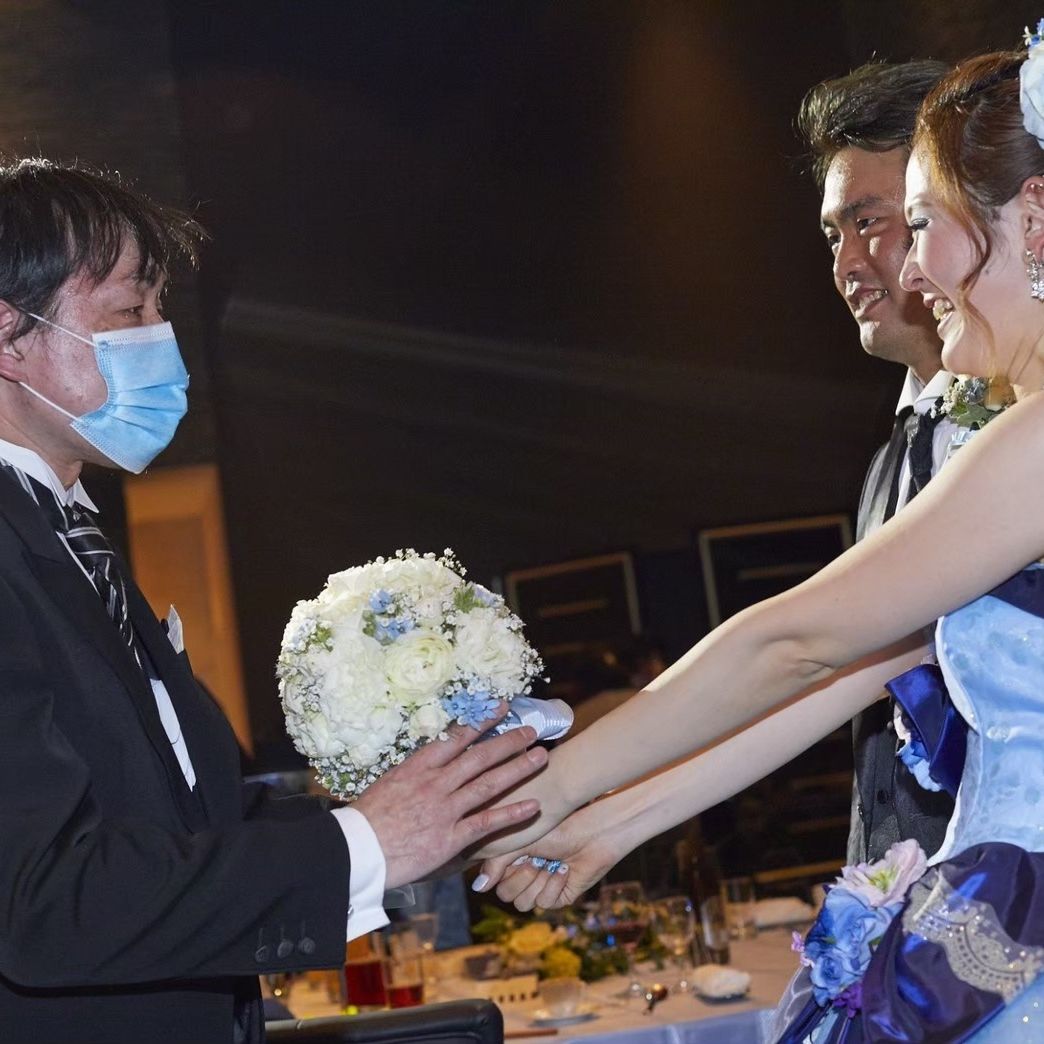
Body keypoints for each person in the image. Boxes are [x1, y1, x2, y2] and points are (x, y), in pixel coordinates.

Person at [477, 39, 1044, 1040]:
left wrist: (551, 787)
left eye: (916, 224)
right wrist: (606, 821)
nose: (910, 269)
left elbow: (796, 643)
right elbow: (858, 665)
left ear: (1032, 221)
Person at [0, 157, 547, 1043]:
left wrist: (440, 814)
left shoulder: (70, 538)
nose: (161, 338)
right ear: (10, 336)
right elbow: (45, 900)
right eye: (130, 311)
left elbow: (194, 827)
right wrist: (365, 844)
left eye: (162, 309)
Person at [801, 60, 961, 865]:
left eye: (870, 222)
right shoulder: (883, 463)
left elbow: (800, 650)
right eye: (833, 235)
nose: (847, 265)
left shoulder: (1017, 429)